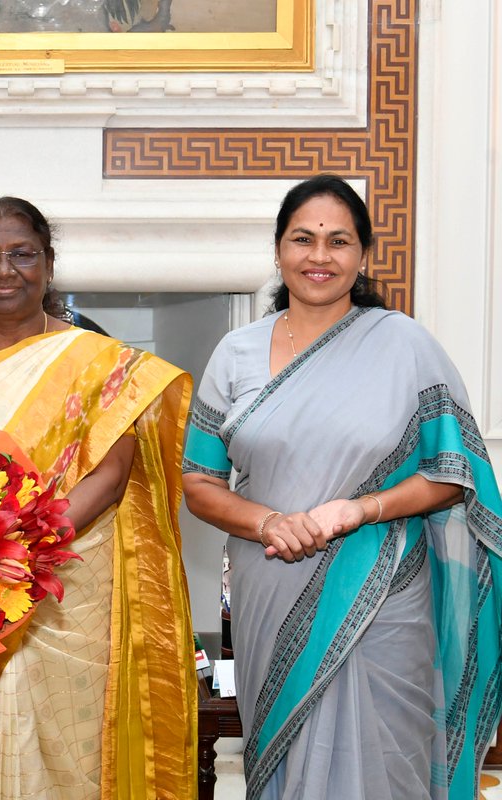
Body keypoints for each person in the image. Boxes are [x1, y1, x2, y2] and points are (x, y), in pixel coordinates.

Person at [181, 174, 502, 799]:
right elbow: (199, 482)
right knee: (286, 753)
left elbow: (453, 474)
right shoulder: (236, 353)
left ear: (362, 256)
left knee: (385, 754)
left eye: (338, 241)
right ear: (278, 251)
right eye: (303, 239)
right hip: (270, 586)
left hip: (384, 591)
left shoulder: (405, 346)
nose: (319, 256)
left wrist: (360, 509)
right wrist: (269, 522)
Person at [0, 196, 196, 799]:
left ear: (49, 266)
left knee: (73, 755)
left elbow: (111, 472)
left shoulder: (97, 359)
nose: (4, 270)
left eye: (22, 254)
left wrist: (26, 546)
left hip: (69, 584)